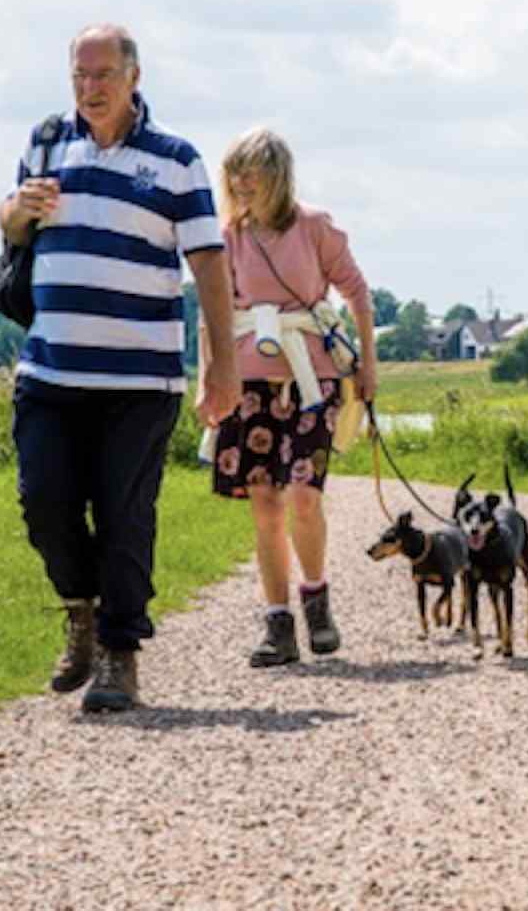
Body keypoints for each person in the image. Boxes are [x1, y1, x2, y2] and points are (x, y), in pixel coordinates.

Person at [0, 23, 239, 714]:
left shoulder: (176, 161)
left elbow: (209, 269)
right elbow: (11, 226)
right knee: (42, 503)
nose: (90, 88)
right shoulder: (47, 141)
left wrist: (220, 366)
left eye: (103, 74)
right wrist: (18, 211)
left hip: (140, 381)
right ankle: (79, 610)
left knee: (124, 516)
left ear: (134, 76)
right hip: (49, 372)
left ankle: (119, 653)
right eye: (79, 75)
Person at [200, 127, 377, 666]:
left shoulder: (315, 228)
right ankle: (278, 623)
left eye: (251, 171)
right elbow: (214, 312)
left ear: (277, 175)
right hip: (248, 382)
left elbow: (357, 292)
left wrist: (369, 364)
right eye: (234, 172)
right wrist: (209, 377)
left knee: (303, 495)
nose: (241, 182)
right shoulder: (226, 237)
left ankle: (316, 600)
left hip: (311, 381)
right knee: (265, 505)